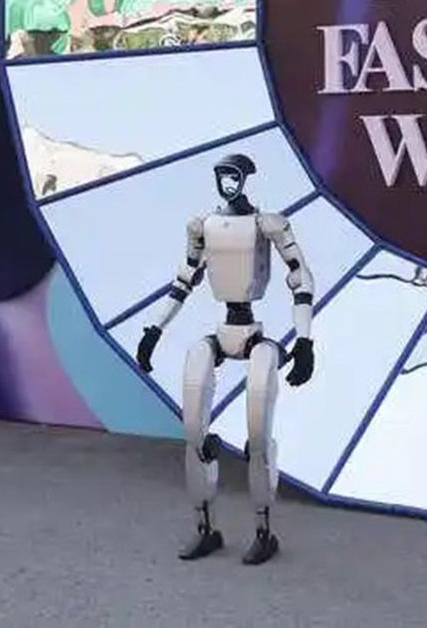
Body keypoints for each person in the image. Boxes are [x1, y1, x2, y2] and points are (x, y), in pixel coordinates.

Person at [136, 154, 316, 565]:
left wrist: (305, 341)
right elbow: (183, 281)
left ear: (245, 179)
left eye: (233, 176)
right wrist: (153, 330)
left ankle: (263, 531)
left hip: (255, 336)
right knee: (194, 431)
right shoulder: (204, 226)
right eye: (222, 176)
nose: (228, 183)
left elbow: (300, 277)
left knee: (258, 435)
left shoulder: (268, 224)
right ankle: (205, 527)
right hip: (220, 332)